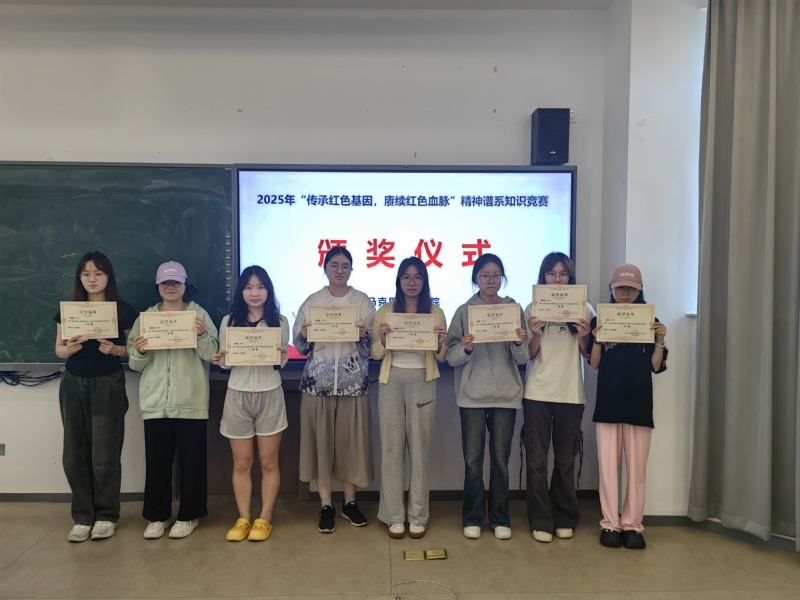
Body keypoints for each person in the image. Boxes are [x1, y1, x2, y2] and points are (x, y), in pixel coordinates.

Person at [127, 261, 219, 540]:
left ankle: (189, 515)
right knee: (157, 463)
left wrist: (201, 335)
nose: (170, 287)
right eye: (165, 283)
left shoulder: (198, 315)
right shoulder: (146, 318)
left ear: (184, 285)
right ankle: (157, 517)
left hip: (191, 399)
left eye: (176, 282)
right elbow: (135, 363)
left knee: (192, 463)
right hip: (156, 401)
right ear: (157, 286)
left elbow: (213, 354)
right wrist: (141, 351)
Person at [55, 251, 139, 542]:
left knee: (104, 455)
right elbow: (59, 348)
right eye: (86, 274)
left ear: (109, 277)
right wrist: (69, 349)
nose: (92, 279)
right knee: (73, 455)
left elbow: (136, 349)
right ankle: (82, 516)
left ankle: (106, 515)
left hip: (107, 383)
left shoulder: (124, 310)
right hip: (72, 382)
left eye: (98, 273)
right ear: (79, 278)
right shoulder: (69, 310)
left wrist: (116, 350)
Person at [446, 253, 529, 540]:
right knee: (472, 461)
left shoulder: (513, 310)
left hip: (506, 394)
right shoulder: (464, 312)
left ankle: (500, 518)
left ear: (502, 278)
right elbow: (450, 356)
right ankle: (472, 518)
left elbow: (523, 357)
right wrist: (465, 349)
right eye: (485, 275)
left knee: (501, 460)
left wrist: (518, 342)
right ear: (476, 279)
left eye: (496, 275)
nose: (491, 280)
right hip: (472, 395)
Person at [293, 247, 376, 533]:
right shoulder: (313, 302)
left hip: (353, 386)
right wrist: (304, 335)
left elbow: (373, 346)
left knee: (350, 446)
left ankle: (350, 503)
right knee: (322, 446)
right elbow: (300, 346)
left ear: (351, 270)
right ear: (325, 268)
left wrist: (364, 336)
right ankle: (326, 504)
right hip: (318, 386)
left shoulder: (362, 301)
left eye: (345, 265)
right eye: (334, 265)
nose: (340, 270)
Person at [588, 263, 668, 550]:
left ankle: (633, 525)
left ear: (639, 290)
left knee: (636, 471)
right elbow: (594, 364)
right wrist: (598, 340)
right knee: (608, 469)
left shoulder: (651, 321)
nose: (625, 292)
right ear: (610, 289)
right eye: (620, 287)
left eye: (631, 288)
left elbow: (655, 367)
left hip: (639, 404)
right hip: (608, 404)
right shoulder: (600, 320)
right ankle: (610, 524)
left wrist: (660, 342)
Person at [371, 257, 448, 539]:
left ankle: (418, 516)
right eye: (406, 277)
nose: (412, 283)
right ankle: (393, 515)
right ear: (399, 281)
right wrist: (382, 340)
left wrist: (439, 343)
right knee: (391, 449)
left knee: (419, 450)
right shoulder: (385, 311)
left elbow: (442, 356)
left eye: (417, 277)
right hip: (391, 381)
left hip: (423, 381)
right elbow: (375, 353)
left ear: (424, 281)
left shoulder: (436, 312)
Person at [522, 252, 595, 543]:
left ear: (571, 277)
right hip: (537, 392)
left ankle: (564, 517)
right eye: (552, 274)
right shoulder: (532, 308)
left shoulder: (585, 308)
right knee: (537, 460)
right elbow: (528, 355)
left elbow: (589, 356)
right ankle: (541, 519)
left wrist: (584, 336)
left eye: (563, 274)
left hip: (570, 393)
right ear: (543, 277)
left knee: (565, 461)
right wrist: (536, 335)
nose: (558, 279)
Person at [213, 266, 289, 542]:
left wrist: (282, 357)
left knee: (268, 462)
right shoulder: (229, 321)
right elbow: (226, 362)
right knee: (242, 462)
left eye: (260, 287)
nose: (254, 293)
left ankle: (265, 517)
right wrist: (220, 359)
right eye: (248, 287)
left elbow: (281, 361)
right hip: (237, 394)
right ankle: (243, 518)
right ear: (241, 291)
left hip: (270, 394)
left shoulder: (279, 321)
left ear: (268, 290)